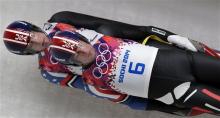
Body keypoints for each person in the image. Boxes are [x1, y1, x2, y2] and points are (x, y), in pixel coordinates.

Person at [3, 11, 220, 116]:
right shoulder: (50, 70)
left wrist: (165, 35)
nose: (37, 40)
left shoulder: (61, 19)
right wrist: (160, 107)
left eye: (31, 35)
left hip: (154, 54)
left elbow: (115, 26)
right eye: (30, 45)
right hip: (149, 83)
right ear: (28, 53)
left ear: (33, 27)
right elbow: (105, 93)